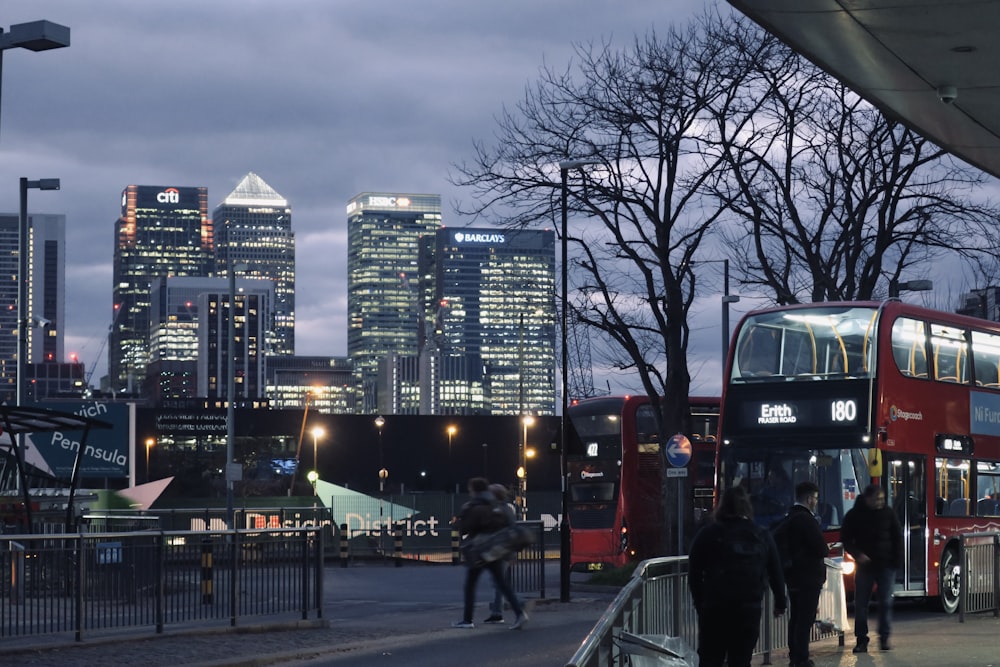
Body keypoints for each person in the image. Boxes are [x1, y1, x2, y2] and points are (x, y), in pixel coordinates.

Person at [688, 486, 787, 667]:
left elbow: (694, 571)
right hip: (748, 609)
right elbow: (775, 570)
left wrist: (700, 602)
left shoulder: (708, 534)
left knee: (710, 658)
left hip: (714, 608)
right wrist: (781, 602)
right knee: (741, 659)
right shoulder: (761, 534)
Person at [451, 477, 529, 630]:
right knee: (501, 582)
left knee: (470, 585)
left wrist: (459, 523)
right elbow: (509, 527)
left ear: (473, 490)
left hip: (479, 551)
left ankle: (467, 619)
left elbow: (465, 528)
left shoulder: (474, 506)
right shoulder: (498, 506)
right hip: (495, 550)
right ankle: (520, 613)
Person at [841, 483, 903, 653]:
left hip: (886, 565)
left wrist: (896, 562)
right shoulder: (854, 515)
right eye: (877, 499)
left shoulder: (888, 514)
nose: (880, 502)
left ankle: (884, 637)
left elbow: (897, 537)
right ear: (867, 499)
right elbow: (846, 539)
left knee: (885, 602)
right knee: (861, 604)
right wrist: (857, 554)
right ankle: (862, 639)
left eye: (882, 499)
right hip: (865, 566)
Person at [782, 481, 830, 667]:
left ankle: (795, 655)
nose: (817, 502)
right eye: (816, 498)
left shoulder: (790, 516)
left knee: (796, 617)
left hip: (793, 575)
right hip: (808, 577)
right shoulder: (806, 519)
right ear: (810, 499)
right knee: (805, 619)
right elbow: (821, 548)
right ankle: (801, 657)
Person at [483, 483, 519, 624]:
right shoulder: (500, 509)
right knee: (499, 583)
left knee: (500, 583)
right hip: (499, 550)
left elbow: (511, 531)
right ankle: (498, 612)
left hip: (501, 551)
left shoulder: (502, 510)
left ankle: (518, 608)